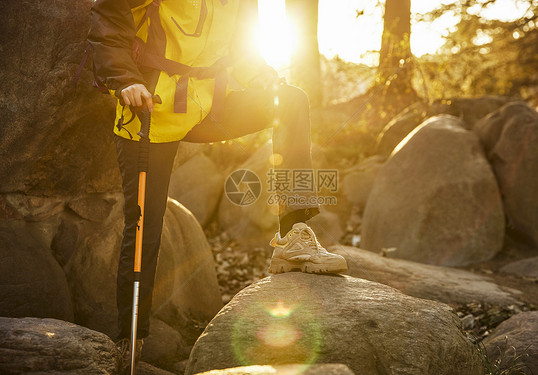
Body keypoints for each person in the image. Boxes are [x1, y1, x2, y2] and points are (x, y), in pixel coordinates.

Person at [88, 0, 347, 365]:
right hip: (150, 109)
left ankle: (293, 235)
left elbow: (244, 47)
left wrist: (264, 78)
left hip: (208, 106)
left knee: (290, 101)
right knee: (146, 223)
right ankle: (131, 339)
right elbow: (109, 14)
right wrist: (124, 77)